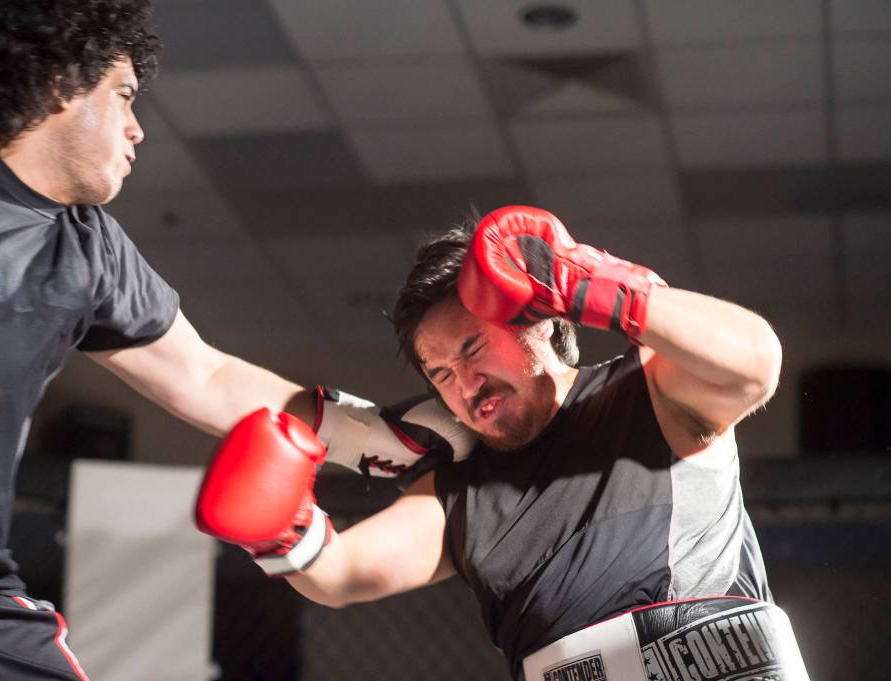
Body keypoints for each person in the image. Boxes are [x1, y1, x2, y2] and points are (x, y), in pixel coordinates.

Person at [0, 1, 470, 679]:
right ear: (61, 83)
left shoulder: (88, 246)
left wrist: (384, 442)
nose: (137, 129)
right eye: (123, 96)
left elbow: (206, 377)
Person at [196, 206, 812, 680]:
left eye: (472, 348)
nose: (464, 383)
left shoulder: (645, 392)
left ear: (538, 320)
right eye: (440, 374)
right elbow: (342, 572)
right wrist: (281, 530)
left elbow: (753, 364)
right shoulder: (464, 486)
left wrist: (591, 281)